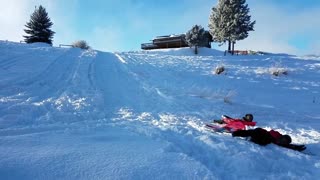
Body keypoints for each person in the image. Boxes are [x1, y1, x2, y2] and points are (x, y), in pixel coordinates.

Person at [232, 127, 306, 151]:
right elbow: (248, 132)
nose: (282, 142)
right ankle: (237, 132)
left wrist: (296, 147)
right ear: (282, 137)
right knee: (251, 134)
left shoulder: (280, 141)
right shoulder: (276, 135)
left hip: (260, 138)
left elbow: (286, 145)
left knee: (261, 142)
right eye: (283, 140)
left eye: (284, 142)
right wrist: (236, 133)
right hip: (259, 132)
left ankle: (249, 138)